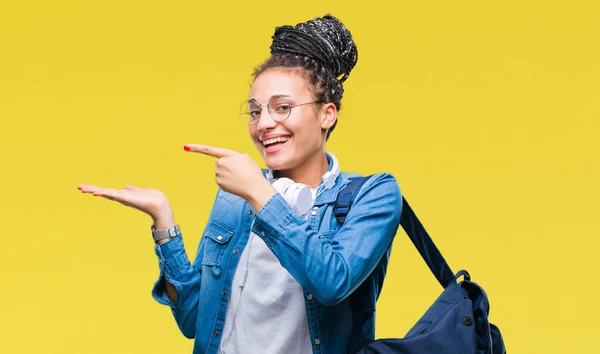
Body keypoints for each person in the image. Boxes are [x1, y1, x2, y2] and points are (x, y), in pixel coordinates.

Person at [78, 14, 402, 354]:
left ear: (327, 114)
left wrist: (259, 193)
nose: (263, 124)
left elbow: (332, 283)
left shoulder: (373, 194)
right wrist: (164, 223)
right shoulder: (235, 198)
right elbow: (193, 320)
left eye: (282, 108)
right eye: (254, 112)